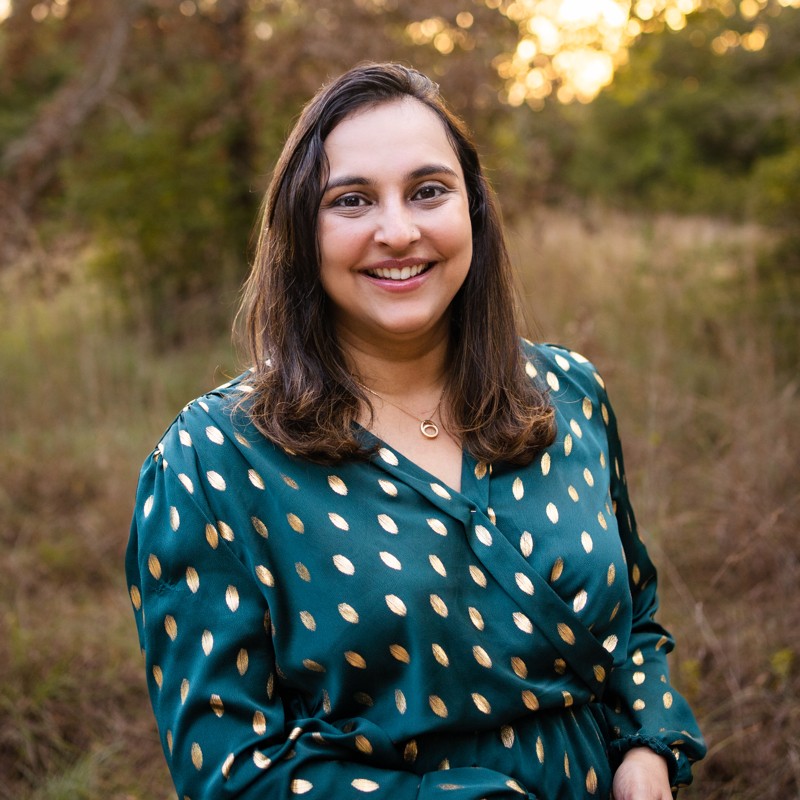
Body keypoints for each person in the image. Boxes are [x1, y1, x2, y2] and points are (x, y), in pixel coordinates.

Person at [125, 62, 706, 800]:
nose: (398, 232)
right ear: (301, 231)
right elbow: (230, 772)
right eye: (352, 200)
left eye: (428, 191)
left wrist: (649, 749)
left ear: (475, 211)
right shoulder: (212, 460)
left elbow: (635, 622)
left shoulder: (567, 393)